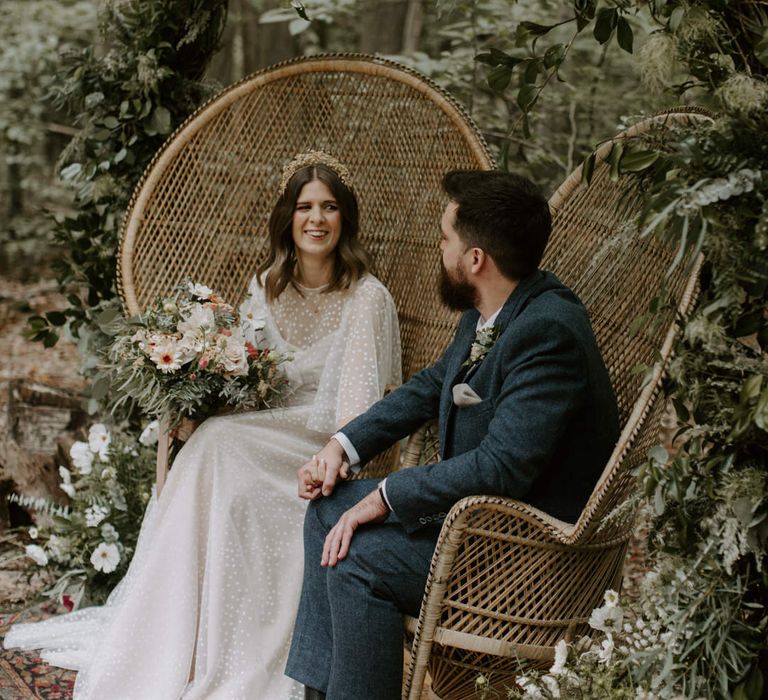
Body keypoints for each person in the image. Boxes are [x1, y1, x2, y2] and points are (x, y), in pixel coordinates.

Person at [4, 151, 402, 700]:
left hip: (323, 446)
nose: (317, 219)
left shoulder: (367, 297)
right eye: (305, 206)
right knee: (209, 440)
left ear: (345, 218)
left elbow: (357, 417)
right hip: (259, 432)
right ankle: (176, 636)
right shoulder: (267, 285)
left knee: (218, 445)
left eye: (330, 207)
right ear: (288, 217)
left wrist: (317, 453)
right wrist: (199, 394)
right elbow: (248, 379)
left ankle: (232, 657)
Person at [285, 170, 621, 700]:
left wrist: (386, 495)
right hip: (472, 525)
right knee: (326, 506)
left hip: (521, 554)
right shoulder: (491, 310)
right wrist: (342, 446)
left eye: (445, 239)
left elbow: (502, 466)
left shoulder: (547, 332)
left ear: (475, 259)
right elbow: (430, 387)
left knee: (360, 563)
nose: (438, 250)